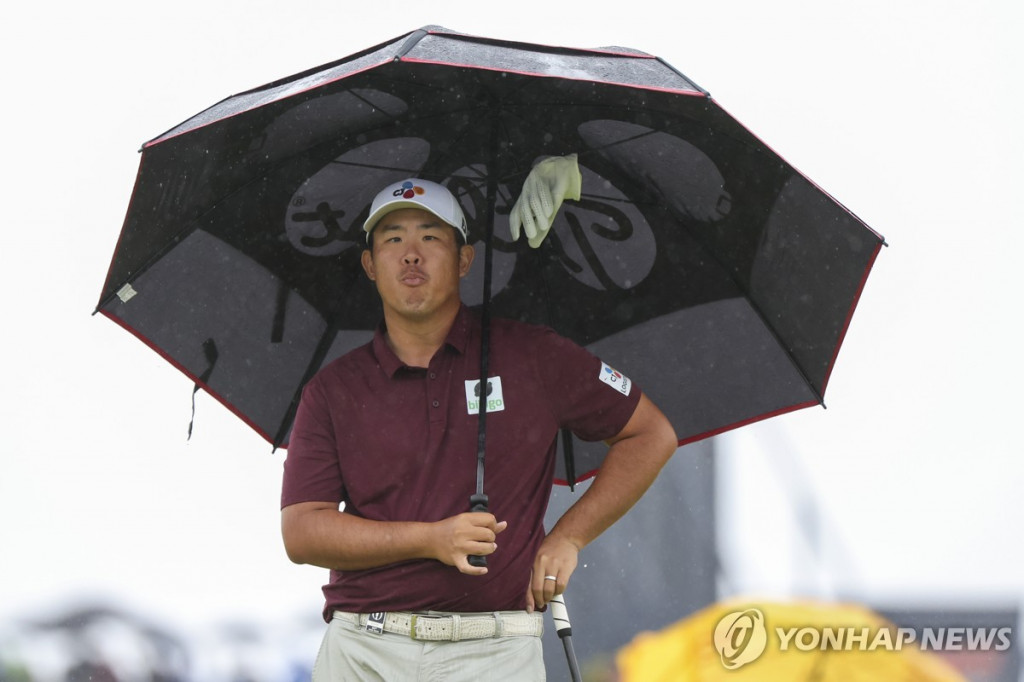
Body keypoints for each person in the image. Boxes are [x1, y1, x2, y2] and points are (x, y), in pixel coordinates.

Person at [280, 159, 678, 681]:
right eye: (392, 239)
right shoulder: (332, 390)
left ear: (465, 259)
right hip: (364, 650)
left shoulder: (533, 355)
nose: (411, 253)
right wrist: (430, 538)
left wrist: (568, 537)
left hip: (496, 650)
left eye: (431, 236)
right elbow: (302, 533)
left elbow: (651, 433)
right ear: (370, 265)